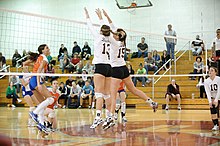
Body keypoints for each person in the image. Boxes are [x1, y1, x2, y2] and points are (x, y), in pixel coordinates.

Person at [101, 9, 158, 129]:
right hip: (124, 69)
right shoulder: (121, 42)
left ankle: (110, 117)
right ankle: (151, 102)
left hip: (116, 69)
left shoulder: (115, 42)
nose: (115, 34)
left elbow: (107, 32)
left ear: (118, 36)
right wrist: (107, 16)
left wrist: (102, 18)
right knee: (133, 89)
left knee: (113, 94)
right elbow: (113, 29)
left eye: (116, 34)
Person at [84, 8, 112, 129]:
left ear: (101, 31)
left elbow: (89, 25)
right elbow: (105, 28)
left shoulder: (97, 36)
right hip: (109, 67)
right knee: (107, 95)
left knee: (99, 94)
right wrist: (101, 17)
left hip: (100, 66)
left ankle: (98, 118)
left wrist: (87, 15)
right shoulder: (111, 38)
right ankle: (110, 117)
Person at [25, 44, 55, 133]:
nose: (49, 49)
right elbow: (38, 71)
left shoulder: (39, 57)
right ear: (42, 50)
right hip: (35, 80)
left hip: (32, 81)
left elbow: (34, 67)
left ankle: (41, 124)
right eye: (47, 48)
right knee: (51, 99)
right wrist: (39, 84)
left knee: (42, 103)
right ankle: (34, 113)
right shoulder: (44, 59)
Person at [204, 67, 220, 131]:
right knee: (213, 111)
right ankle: (216, 125)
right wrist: (210, 101)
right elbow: (207, 92)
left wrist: (216, 100)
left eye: (212, 70)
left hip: (218, 96)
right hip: (213, 97)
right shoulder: (206, 81)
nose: (210, 72)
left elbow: (219, 90)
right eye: (209, 71)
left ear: (215, 72)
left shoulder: (218, 79)